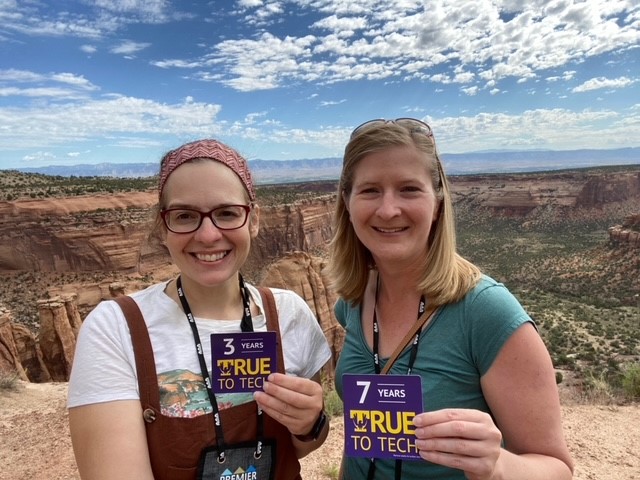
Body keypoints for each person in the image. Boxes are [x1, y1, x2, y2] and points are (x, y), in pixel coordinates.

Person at [68, 139, 331, 480]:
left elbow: (298, 446)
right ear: (162, 227)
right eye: (185, 216)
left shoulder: (289, 314)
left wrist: (312, 424)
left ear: (253, 220)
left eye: (226, 213)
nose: (208, 235)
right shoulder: (115, 329)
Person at [326, 118, 574, 479]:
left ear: (438, 202)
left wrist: (498, 465)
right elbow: (362, 437)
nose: (388, 209)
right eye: (370, 191)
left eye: (409, 189)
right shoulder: (353, 301)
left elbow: (558, 469)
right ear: (347, 203)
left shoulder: (486, 312)